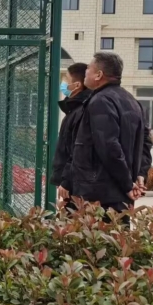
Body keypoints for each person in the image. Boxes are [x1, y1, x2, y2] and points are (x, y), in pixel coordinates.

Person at [69, 52, 152, 223]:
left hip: (99, 195)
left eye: (88, 69)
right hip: (121, 193)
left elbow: (109, 147)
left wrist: (127, 184)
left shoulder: (100, 101)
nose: (85, 72)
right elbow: (146, 142)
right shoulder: (132, 101)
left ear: (98, 75)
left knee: (98, 238)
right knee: (119, 237)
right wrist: (140, 174)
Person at [50, 63, 90, 210]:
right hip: (71, 182)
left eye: (66, 79)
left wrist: (66, 180)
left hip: (75, 185)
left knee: (74, 220)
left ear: (77, 85)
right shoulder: (73, 109)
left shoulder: (81, 111)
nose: (63, 84)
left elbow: (77, 149)